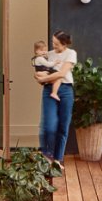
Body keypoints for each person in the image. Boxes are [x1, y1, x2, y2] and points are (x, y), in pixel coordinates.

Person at [35, 29, 76, 168]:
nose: (53, 46)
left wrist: (43, 78)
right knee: (49, 126)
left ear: (64, 44)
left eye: (56, 43)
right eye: (53, 42)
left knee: (63, 127)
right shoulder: (48, 55)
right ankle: (46, 156)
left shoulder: (71, 53)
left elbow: (62, 73)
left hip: (66, 91)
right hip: (49, 90)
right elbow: (39, 69)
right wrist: (39, 77)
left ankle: (57, 160)